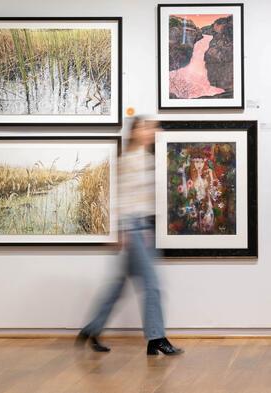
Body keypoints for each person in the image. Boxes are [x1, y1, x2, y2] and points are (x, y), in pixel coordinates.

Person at [77, 117, 183, 356]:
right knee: (153, 285)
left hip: (144, 227)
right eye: (145, 127)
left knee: (118, 286)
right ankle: (156, 338)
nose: (150, 131)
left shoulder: (147, 160)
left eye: (151, 128)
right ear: (134, 132)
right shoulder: (127, 161)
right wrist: (123, 230)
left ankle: (92, 329)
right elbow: (119, 197)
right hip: (134, 229)